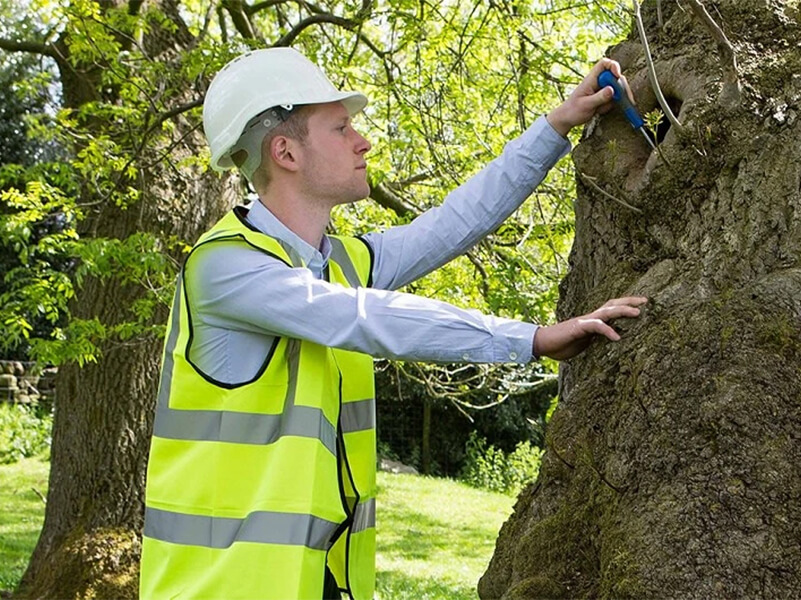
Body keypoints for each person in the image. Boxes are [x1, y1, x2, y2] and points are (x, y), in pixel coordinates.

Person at [139, 47, 647, 600]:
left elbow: (454, 223)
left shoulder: (339, 265)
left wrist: (556, 125)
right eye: (340, 128)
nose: (363, 141)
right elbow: (365, 318)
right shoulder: (225, 267)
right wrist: (529, 339)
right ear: (285, 152)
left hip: (314, 581)